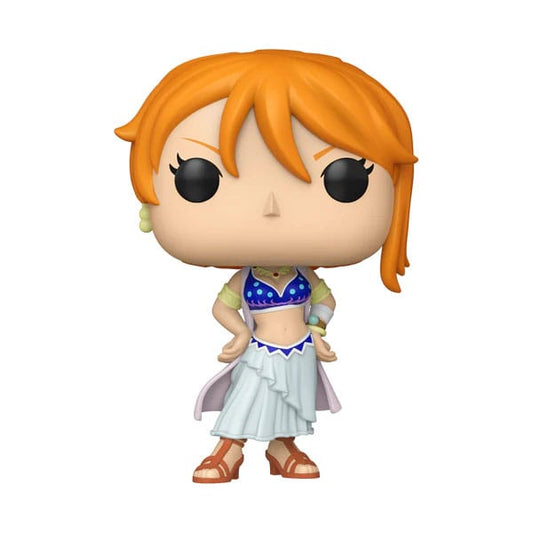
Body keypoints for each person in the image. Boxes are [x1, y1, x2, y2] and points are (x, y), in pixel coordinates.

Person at [115, 50, 417, 483]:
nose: (271, 207)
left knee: (293, 404)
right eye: (199, 178)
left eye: (345, 179)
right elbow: (222, 306)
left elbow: (327, 301)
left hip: (300, 351)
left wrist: (317, 329)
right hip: (260, 351)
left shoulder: (305, 277)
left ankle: (282, 447)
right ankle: (228, 450)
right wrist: (240, 333)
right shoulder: (247, 279)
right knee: (245, 399)